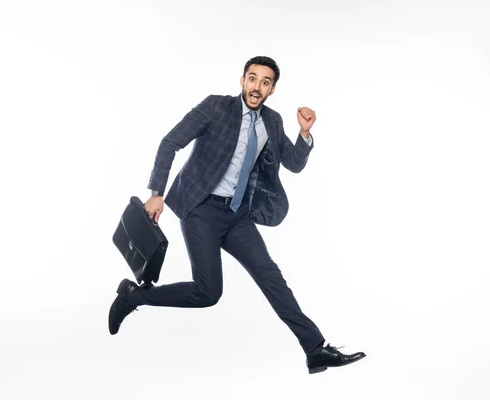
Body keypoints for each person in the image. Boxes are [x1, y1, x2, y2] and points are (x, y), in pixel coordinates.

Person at [108, 56, 366, 374]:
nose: (258, 86)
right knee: (208, 292)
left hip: (237, 214)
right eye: (253, 78)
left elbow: (294, 163)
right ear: (242, 80)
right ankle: (134, 297)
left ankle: (315, 350)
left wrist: (305, 134)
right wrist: (157, 193)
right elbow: (170, 142)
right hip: (200, 208)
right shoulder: (215, 107)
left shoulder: (271, 121)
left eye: (266, 82)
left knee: (271, 276)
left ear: (272, 89)